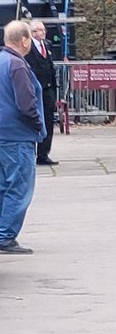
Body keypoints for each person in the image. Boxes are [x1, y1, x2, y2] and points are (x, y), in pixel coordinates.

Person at [0, 20, 47, 254]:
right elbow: (26, 103)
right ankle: (6, 236)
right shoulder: (17, 65)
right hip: (17, 136)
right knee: (19, 187)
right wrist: (38, 125)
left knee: (2, 186)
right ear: (25, 40)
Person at [25, 21, 58, 166]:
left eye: (44, 30)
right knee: (33, 121)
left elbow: (50, 67)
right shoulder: (28, 47)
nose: (43, 32)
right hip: (34, 90)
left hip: (48, 90)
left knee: (48, 121)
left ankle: (43, 154)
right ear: (33, 33)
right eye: (40, 30)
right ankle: (31, 152)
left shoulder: (47, 45)